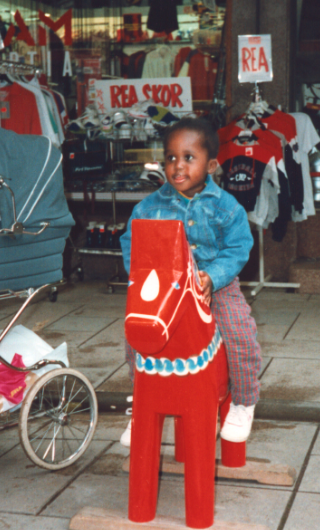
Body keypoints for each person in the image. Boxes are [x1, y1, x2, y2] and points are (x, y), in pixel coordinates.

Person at [119, 117, 261, 447]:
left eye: (188, 157)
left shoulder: (227, 206)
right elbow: (132, 246)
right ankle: (140, 404)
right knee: (136, 334)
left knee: (239, 331)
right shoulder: (147, 208)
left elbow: (240, 246)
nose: (177, 166)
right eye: (170, 158)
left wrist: (213, 276)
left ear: (210, 164)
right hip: (165, 292)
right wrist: (144, 282)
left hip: (216, 287)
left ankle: (242, 401)